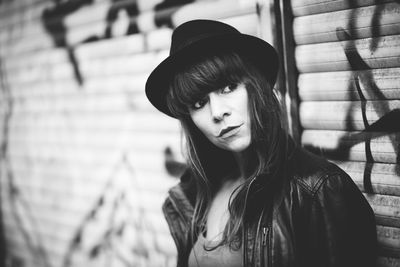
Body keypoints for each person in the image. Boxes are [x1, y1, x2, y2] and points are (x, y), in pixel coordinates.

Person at [145, 20, 377, 267]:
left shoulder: (318, 191)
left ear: (255, 87)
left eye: (228, 87)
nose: (217, 112)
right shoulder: (192, 197)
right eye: (199, 103)